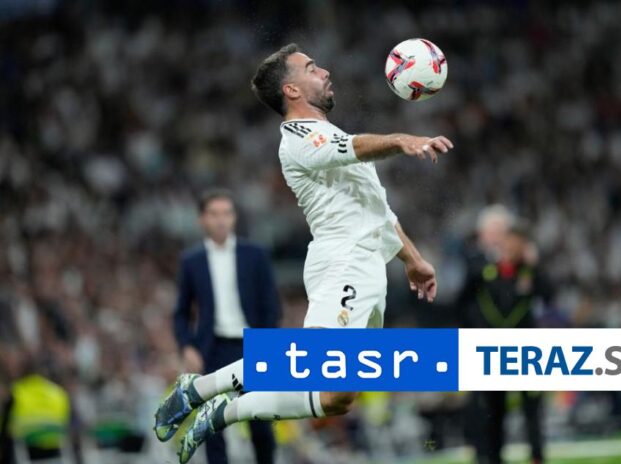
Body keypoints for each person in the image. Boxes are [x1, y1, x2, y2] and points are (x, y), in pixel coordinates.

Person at [154, 43, 454, 463]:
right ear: (291, 90)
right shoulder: (297, 139)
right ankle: (198, 389)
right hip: (343, 262)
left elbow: (377, 211)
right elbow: (355, 147)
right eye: (312, 68)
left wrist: (413, 259)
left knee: (337, 398)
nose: (325, 71)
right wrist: (402, 140)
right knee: (311, 362)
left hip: (368, 267)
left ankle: (221, 413)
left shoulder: (332, 134)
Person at [171, 189, 280, 464]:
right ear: (202, 219)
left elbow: (271, 304)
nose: (221, 220)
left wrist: (267, 344)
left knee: (261, 421)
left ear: (234, 217)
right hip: (212, 349)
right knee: (211, 427)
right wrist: (187, 346)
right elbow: (181, 312)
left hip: (252, 346)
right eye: (214, 214)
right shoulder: (191, 261)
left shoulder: (255, 255)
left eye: (226, 213)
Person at [457, 218, 552, 464]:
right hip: (493, 351)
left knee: (532, 408)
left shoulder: (527, 272)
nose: (510, 247)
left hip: (526, 350)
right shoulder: (486, 269)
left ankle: (537, 456)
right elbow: (464, 297)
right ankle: (492, 457)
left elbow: (548, 294)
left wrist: (533, 266)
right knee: (493, 409)